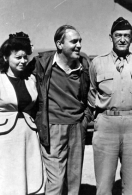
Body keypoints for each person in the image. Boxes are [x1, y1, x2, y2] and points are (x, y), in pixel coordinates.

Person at [29, 25, 92, 195]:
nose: (79, 45)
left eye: (80, 41)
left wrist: (85, 119)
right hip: (53, 128)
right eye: (74, 41)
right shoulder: (42, 63)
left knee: (73, 182)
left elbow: (91, 94)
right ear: (59, 44)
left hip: (77, 127)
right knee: (55, 182)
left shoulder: (84, 65)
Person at [88, 17, 132, 195]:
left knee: (131, 185)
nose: (122, 39)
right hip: (106, 123)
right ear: (111, 37)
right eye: (118, 35)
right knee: (104, 184)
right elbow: (91, 92)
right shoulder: (97, 63)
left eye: (126, 36)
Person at [0, 32, 44, 194]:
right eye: (17, 58)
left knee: (28, 177)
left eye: (25, 57)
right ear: (5, 58)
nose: (23, 61)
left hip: (28, 135)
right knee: (8, 179)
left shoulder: (30, 79)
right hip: (4, 138)